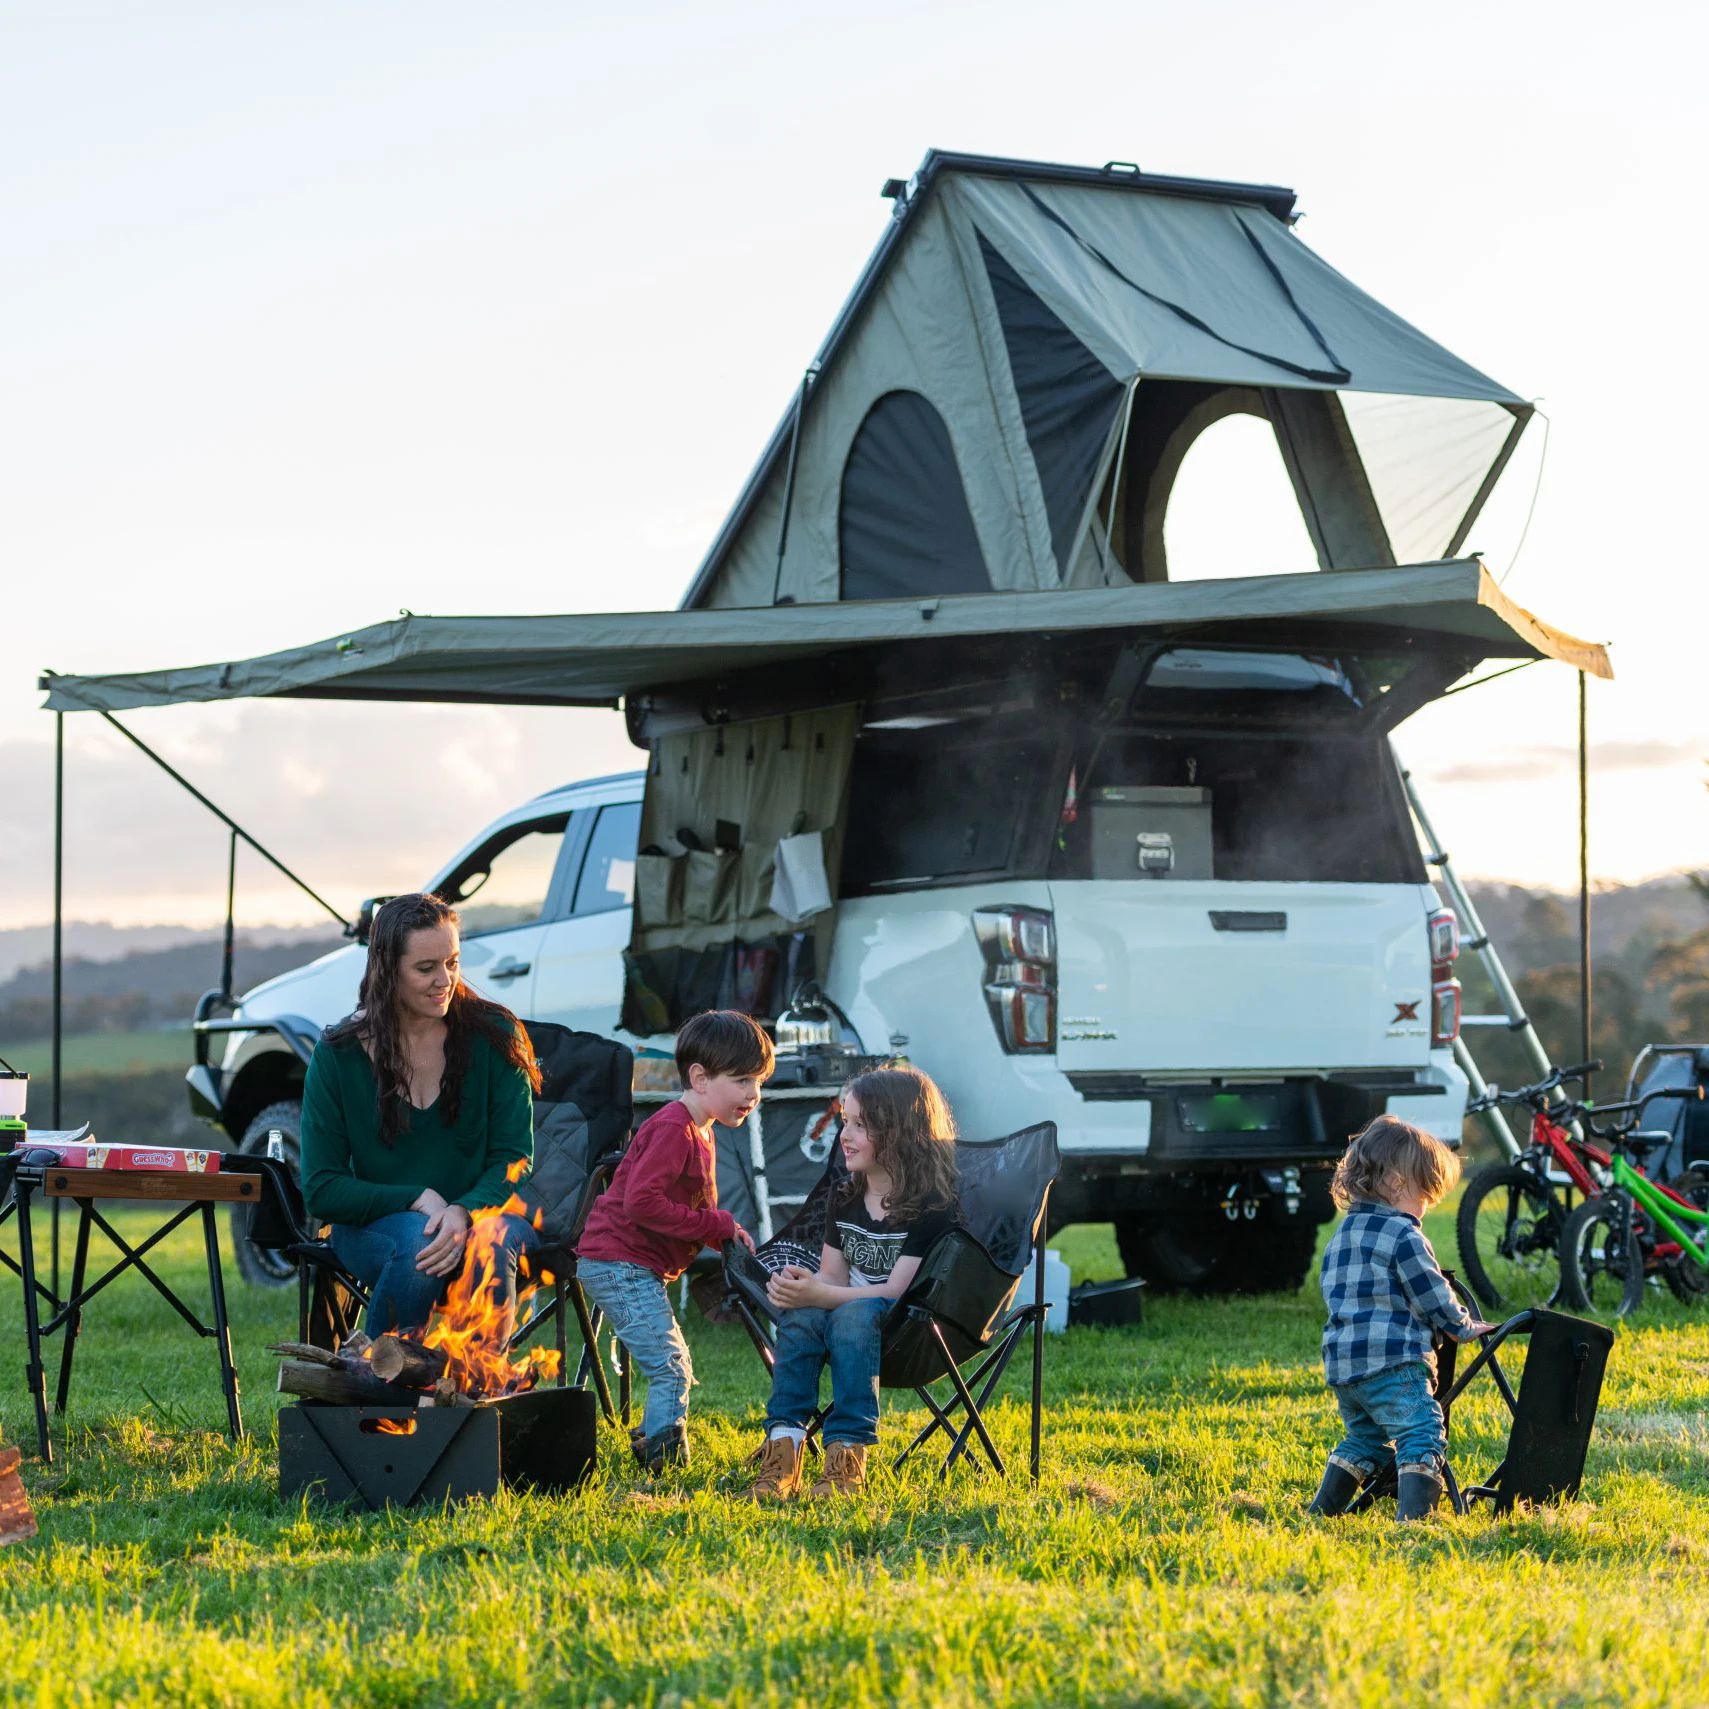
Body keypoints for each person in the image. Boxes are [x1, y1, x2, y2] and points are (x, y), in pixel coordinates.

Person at [299, 893, 544, 1339]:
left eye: (452, 963)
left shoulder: (495, 1035)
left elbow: (514, 1157)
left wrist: (463, 1210)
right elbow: (321, 1188)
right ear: (386, 970)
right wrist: (417, 1198)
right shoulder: (338, 1056)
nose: (444, 980)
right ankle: (383, 1377)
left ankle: (472, 1382)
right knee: (419, 1241)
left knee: (491, 1243)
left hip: (488, 1217)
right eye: (426, 968)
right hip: (376, 1228)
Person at [747, 1065, 960, 1501]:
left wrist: (825, 1293)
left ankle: (846, 1457)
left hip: (904, 1327)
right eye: (845, 1121)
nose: (844, 1135)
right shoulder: (844, 1195)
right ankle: (783, 1448)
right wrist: (804, 1286)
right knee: (802, 1312)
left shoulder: (931, 1205)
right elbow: (831, 1276)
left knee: (854, 1313)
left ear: (900, 1133)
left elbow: (895, 1292)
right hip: (845, 1311)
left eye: (861, 1125)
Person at [577, 1009, 771, 1470]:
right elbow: (641, 1204)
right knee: (670, 1365)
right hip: (618, 1262)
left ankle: (651, 1436)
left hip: (631, 1264)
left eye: (759, 1082)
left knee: (671, 1361)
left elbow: (691, 1209)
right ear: (700, 1078)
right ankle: (663, 1461)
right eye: (742, 1080)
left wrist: (722, 1230)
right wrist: (713, 1224)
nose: (753, 1094)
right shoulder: (673, 1129)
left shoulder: (700, 1129)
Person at [1309, 1115, 1493, 1522]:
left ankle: (1321, 1513)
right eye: (1424, 1195)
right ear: (1396, 1183)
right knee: (1421, 1431)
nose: (1425, 1209)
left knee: (1366, 1439)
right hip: (1393, 1362)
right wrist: (1461, 1326)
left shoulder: (1342, 1235)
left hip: (1344, 1366)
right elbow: (1431, 1291)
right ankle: (1414, 1521)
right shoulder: (1404, 1234)